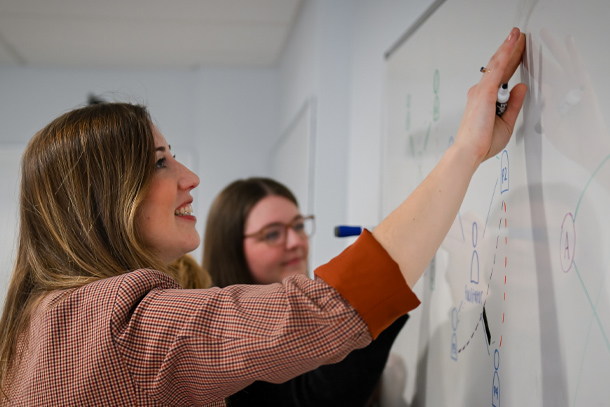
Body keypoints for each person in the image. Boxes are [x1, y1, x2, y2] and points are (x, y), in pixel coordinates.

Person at [0, 28, 526, 406]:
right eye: (160, 162)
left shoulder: (40, 319)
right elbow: (329, 310)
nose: (190, 176)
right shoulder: (118, 323)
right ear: (103, 199)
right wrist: (466, 150)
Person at [201, 176, 408, 406]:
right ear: (232, 250)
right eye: (272, 234)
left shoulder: (314, 313)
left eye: (299, 226)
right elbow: (317, 399)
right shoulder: (221, 338)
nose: (295, 242)